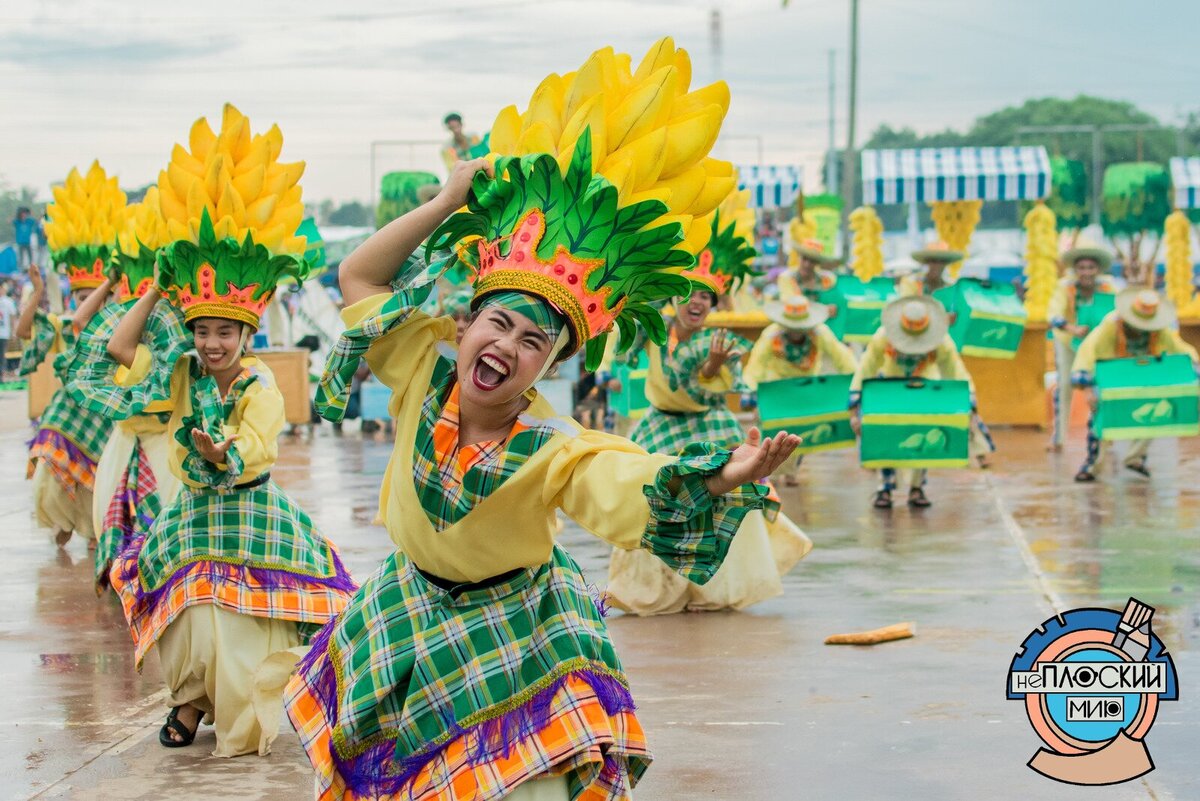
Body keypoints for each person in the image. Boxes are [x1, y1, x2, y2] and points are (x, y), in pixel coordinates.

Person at [286, 37, 800, 799]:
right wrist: (445, 203)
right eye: (499, 324)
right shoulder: (422, 365)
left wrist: (723, 473)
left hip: (517, 626)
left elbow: (624, 482)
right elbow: (358, 273)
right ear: (464, 324)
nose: (509, 347)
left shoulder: (553, 445)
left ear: (551, 367)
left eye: (534, 341)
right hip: (409, 607)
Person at [606, 197, 811, 616]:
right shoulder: (655, 328)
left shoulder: (716, 343)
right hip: (660, 426)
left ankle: (714, 590)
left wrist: (713, 365)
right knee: (654, 499)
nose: (698, 302)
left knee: (724, 500)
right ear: (675, 298)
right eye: (690, 294)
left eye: (707, 297)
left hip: (709, 427)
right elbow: (623, 346)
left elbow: (707, 385)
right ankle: (660, 588)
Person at [850, 296, 977, 509]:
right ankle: (885, 488)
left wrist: (969, 401)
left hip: (925, 391)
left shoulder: (941, 340)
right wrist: (855, 404)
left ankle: (917, 487)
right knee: (886, 437)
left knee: (924, 438)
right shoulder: (883, 337)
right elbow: (866, 367)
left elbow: (956, 370)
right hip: (890, 390)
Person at [1071, 289, 1199, 482]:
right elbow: (1087, 351)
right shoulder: (1111, 325)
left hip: (1141, 376)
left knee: (1153, 413)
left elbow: (1181, 349)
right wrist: (1087, 386)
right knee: (1100, 419)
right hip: (1110, 375)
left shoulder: (1160, 329)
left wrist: (1194, 368)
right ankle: (1092, 466)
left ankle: (1136, 458)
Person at [744, 295, 858, 485]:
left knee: (801, 432)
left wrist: (856, 386)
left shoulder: (820, 333)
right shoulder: (771, 336)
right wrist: (753, 395)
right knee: (773, 434)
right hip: (778, 389)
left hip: (806, 389)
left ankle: (791, 471)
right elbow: (756, 366)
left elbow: (843, 358)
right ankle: (768, 472)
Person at [1046, 243, 1118, 451]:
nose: (1086, 272)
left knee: (1102, 387)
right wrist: (1072, 328)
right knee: (1066, 386)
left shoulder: (1108, 288)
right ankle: (1058, 439)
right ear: (1075, 270)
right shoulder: (1064, 286)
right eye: (1082, 268)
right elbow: (1053, 315)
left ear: (1098, 269)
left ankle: (1106, 435)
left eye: (1090, 267)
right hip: (1069, 342)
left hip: (1098, 345)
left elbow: (1117, 312)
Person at [0, 280, 17, 381]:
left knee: (2, 355)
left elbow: (12, 317)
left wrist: (13, 332)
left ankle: (2, 375)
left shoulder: (8, 302)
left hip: (3, 333)